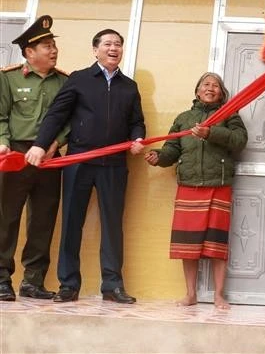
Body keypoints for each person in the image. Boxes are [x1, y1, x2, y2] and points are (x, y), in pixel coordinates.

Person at [25, 28, 146, 304]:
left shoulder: (129, 86)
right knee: (71, 223)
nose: (113, 48)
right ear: (95, 50)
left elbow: (136, 121)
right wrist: (40, 145)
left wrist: (137, 138)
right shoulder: (79, 79)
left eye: (118, 44)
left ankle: (112, 285)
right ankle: (68, 284)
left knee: (113, 224)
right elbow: (57, 115)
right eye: (107, 44)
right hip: (79, 161)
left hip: (114, 165)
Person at [144, 72, 247, 309]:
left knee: (216, 245)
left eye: (215, 85)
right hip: (189, 186)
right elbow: (172, 149)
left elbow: (240, 140)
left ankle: (219, 295)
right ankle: (190, 294)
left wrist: (210, 132)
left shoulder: (229, 114)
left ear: (222, 93)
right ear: (197, 90)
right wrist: (158, 157)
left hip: (217, 186)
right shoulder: (183, 118)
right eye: (205, 84)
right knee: (187, 245)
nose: (210, 88)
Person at [0, 16, 68, 301]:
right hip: (15, 154)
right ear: (29, 52)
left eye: (53, 46)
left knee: (43, 218)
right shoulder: (8, 77)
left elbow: (70, 120)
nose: (53, 51)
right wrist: (3, 143)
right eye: (47, 46)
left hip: (50, 158)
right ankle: (2, 279)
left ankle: (33, 281)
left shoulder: (65, 81)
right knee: (6, 217)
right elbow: (1, 116)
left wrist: (55, 143)